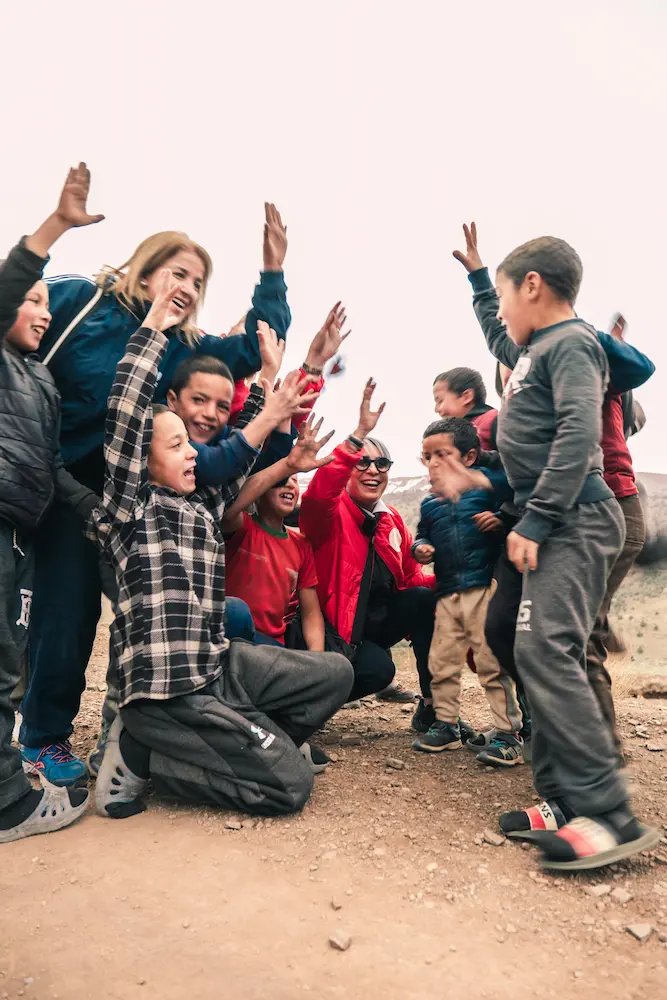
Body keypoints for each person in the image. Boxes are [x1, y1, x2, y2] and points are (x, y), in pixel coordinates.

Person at [21, 203, 292, 786]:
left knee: (165, 614)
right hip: (63, 488)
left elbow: (253, 348)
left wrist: (272, 273)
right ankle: (43, 739)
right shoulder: (80, 303)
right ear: (143, 273)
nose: (189, 287)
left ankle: (158, 730)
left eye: (198, 280)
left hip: (133, 498)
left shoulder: (179, 346)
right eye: (178, 273)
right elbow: (19, 311)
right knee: (66, 615)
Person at [90, 271, 353, 820]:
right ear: (142, 456)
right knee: (291, 786)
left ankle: (247, 738)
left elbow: (244, 459)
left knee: (336, 673)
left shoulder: (203, 505)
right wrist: (155, 328)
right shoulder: (129, 503)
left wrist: (277, 405)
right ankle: (146, 757)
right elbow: (123, 413)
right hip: (170, 690)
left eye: (192, 445)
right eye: (178, 443)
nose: (193, 453)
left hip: (218, 669)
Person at [450, 222, 659, 870]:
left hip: (572, 520)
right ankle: (562, 797)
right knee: (515, 641)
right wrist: (482, 281)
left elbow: (578, 438)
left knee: (549, 648)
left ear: (534, 287)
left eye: (509, 296)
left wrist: (535, 521)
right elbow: (496, 333)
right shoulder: (537, 348)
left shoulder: (568, 344)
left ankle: (606, 813)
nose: (503, 315)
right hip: (547, 518)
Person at [0, 164, 104, 842]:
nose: (42, 311)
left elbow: (54, 466)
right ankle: (9, 805)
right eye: (30, 300)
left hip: (16, 534)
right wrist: (55, 228)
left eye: (47, 302)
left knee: (6, 659)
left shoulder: (37, 379)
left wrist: (88, 508)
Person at [299, 380, 436, 705]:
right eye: (363, 462)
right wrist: (358, 434)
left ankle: (433, 708)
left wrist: (446, 581)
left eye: (382, 464)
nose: (373, 470)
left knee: (422, 599)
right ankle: (310, 700)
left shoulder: (391, 521)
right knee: (378, 670)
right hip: (333, 632)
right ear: (348, 470)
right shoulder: (329, 514)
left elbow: (408, 578)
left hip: (372, 626)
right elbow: (319, 495)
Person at [411, 418, 523, 763]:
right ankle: (447, 725)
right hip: (447, 595)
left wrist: (501, 520)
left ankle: (509, 732)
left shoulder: (489, 487)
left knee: (491, 664)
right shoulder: (430, 504)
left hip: (484, 589)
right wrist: (421, 547)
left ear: (470, 457)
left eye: (441, 455)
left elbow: (516, 500)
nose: (433, 464)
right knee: (441, 662)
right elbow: (422, 534)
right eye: (426, 457)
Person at [433, 367, 498, 449]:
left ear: (466, 397)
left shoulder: (492, 420)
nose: (436, 409)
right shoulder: (449, 435)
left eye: (440, 401)